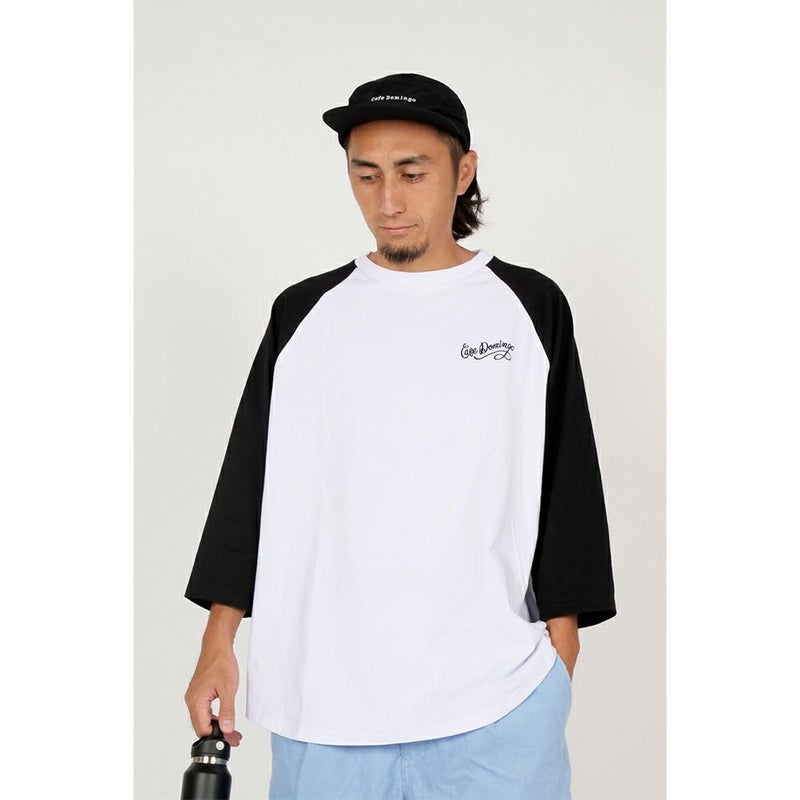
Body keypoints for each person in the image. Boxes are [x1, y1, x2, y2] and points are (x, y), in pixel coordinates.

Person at [184, 72, 616, 799]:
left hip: (498, 705)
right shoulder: (305, 314)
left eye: (412, 174)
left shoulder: (527, 307)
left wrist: (556, 662)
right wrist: (216, 642)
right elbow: (249, 482)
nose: (387, 202)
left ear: (463, 171)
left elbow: (566, 487)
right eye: (367, 175)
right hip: (324, 707)